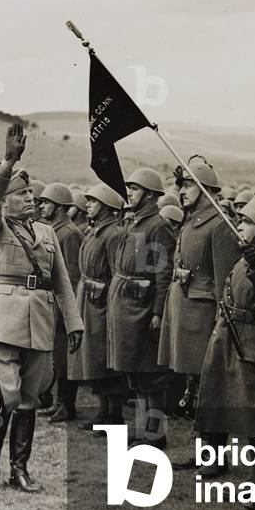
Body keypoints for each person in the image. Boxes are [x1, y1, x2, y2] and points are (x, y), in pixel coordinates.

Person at [0, 123, 83, 492]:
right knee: (7, 394)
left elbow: (61, 281)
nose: (31, 198)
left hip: (39, 321)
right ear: (6, 201)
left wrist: (74, 322)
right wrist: (7, 162)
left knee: (29, 399)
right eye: (21, 194)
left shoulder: (47, 233)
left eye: (31, 194)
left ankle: (20, 468)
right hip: (1, 321)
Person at [196, 198, 255, 496]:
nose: (240, 226)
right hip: (237, 341)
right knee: (249, 419)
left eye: (247, 222)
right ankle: (254, 476)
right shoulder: (246, 257)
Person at [158, 159, 240, 422]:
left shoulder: (219, 225)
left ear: (206, 188)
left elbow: (225, 282)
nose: (181, 191)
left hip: (203, 316)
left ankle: (209, 443)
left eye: (188, 185)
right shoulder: (191, 220)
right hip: (184, 311)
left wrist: (221, 325)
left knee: (208, 384)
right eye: (180, 185)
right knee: (192, 382)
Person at [105, 167, 176, 450]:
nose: (130, 193)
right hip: (126, 306)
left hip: (142, 308)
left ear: (149, 194)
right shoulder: (135, 223)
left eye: (135, 189)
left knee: (151, 375)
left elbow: (163, 273)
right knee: (134, 372)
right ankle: (144, 428)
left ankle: (155, 434)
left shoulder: (158, 226)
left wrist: (157, 312)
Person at [68, 183, 126, 431]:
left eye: (93, 201)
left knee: (104, 360)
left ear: (106, 206)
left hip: (102, 304)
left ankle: (114, 415)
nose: (88, 205)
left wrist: (109, 302)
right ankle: (104, 412)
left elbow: (116, 272)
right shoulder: (95, 231)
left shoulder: (113, 234)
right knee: (93, 359)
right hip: (89, 300)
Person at [36, 182, 83, 423]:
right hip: (50, 301)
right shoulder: (52, 231)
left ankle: (67, 404)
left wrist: (68, 311)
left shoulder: (70, 234)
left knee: (65, 359)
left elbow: (72, 277)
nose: (42, 206)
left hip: (62, 304)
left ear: (60, 206)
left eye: (47, 203)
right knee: (55, 356)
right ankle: (58, 402)